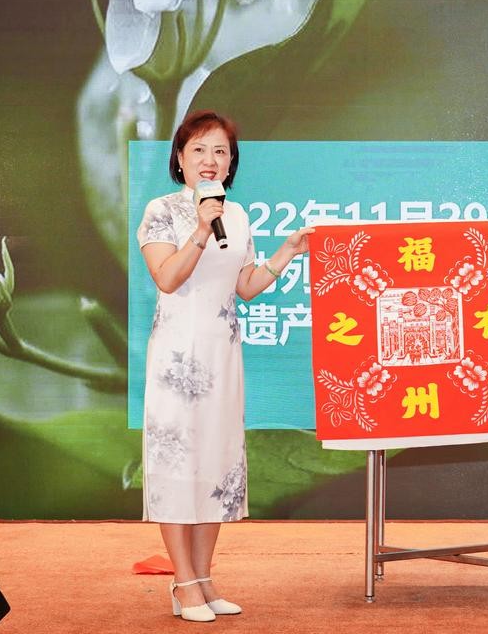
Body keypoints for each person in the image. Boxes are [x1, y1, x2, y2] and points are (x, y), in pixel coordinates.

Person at [136, 110, 312, 622]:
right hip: (176, 359)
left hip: (222, 354)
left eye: (220, 151)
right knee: (177, 466)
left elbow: (246, 286)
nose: (210, 160)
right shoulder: (161, 211)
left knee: (216, 464)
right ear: (180, 159)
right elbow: (168, 279)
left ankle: (204, 577)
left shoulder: (236, 216)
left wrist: (288, 252)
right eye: (198, 150)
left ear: (231, 163)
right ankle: (183, 582)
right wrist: (198, 228)